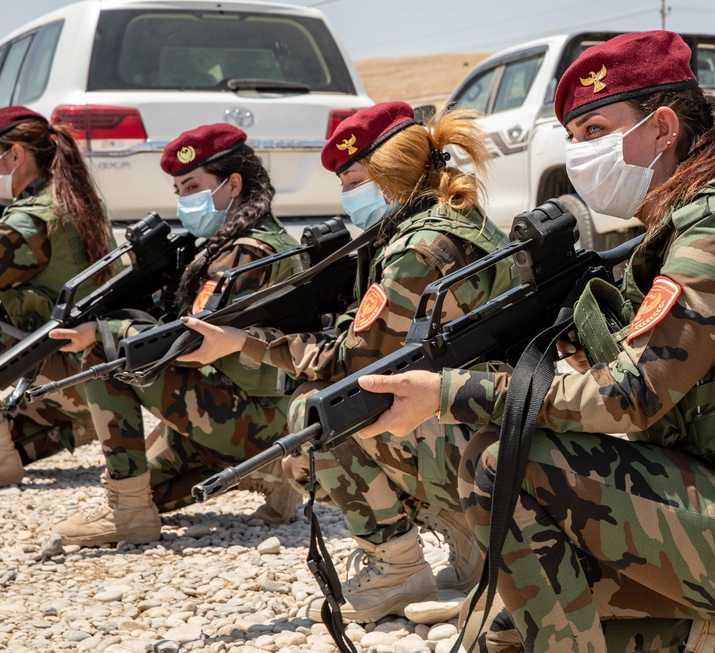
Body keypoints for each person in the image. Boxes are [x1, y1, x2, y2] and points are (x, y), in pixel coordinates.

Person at [349, 31, 715, 653]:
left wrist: (444, 392)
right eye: (575, 139)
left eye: (596, 131)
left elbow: (629, 396)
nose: (581, 155)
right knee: (506, 631)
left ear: (662, 129)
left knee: (505, 465)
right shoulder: (676, 227)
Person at [178, 101, 517, 622]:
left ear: (390, 173)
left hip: (475, 433)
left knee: (319, 411)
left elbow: (353, 363)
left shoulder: (417, 249)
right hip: (490, 420)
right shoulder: (454, 218)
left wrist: (241, 342)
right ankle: (470, 541)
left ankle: (398, 564)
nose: (346, 195)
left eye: (353, 178)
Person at [49, 123, 305, 546]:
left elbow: (188, 342)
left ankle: (129, 514)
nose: (185, 200)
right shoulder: (261, 239)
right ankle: (272, 470)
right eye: (179, 191)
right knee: (155, 490)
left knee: (105, 355)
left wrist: (104, 329)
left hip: (250, 414)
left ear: (233, 184)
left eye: (192, 186)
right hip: (261, 410)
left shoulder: (244, 253)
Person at [0, 106, 115, 491]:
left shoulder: (28, 220)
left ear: (16, 155)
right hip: (94, 371)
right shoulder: (73, 198)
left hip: (69, 372)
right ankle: (68, 422)